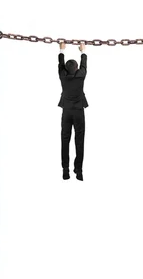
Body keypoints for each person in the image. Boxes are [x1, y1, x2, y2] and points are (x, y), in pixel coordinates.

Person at [58, 41, 88, 181]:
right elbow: (84, 65)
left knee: (65, 140)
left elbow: (60, 65)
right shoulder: (81, 75)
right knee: (79, 140)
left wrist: (62, 49)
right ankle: (79, 170)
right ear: (76, 69)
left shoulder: (62, 76)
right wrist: (82, 50)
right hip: (79, 111)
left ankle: (65, 170)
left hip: (66, 111)